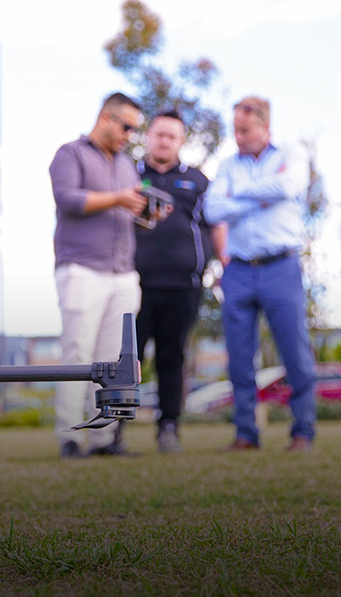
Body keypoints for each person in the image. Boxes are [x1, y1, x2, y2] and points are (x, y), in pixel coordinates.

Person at [205, 96, 317, 452]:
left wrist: (238, 194)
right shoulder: (226, 165)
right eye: (235, 129)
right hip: (237, 269)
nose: (238, 136)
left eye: (245, 129)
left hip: (280, 266)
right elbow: (213, 208)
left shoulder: (291, 154)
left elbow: (289, 187)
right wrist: (260, 195)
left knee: (294, 352)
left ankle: (303, 431)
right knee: (239, 357)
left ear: (265, 128)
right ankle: (245, 433)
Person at [49, 92, 148, 459]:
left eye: (135, 130)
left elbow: (127, 207)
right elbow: (69, 200)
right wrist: (120, 198)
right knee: (78, 354)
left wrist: (145, 210)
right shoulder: (70, 154)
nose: (129, 135)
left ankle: (104, 439)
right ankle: (71, 436)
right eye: (126, 126)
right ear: (106, 117)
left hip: (123, 272)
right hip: (81, 270)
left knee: (113, 359)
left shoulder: (126, 165)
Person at [134, 110, 226, 453]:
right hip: (134, 286)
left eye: (172, 136)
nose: (164, 141)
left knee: (172, 359)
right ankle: (112, 431)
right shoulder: (128, 175)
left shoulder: (198, 181)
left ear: (181, 141)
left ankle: (168, 426)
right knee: (127, 360)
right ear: (148, 135)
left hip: (183, 287)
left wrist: (220, 268)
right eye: (159, 134)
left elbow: (215, 225)